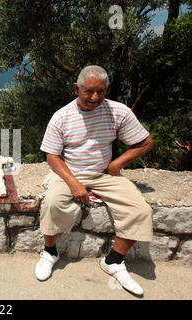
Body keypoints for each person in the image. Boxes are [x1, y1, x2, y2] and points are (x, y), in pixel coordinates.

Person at [36, 65, 154, 296]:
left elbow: (145, 142)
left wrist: (116, 164)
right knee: (51, 203)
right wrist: (73, 183)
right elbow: (51, 156)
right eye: (89, 91)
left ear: (106, 89)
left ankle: (113, 261)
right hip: (68, 172)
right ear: (76, 88)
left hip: (103, 174)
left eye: (101, 91)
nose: (95, 97)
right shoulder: (61, 117)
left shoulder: (118, 111)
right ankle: (50, 252)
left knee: (140, 210)